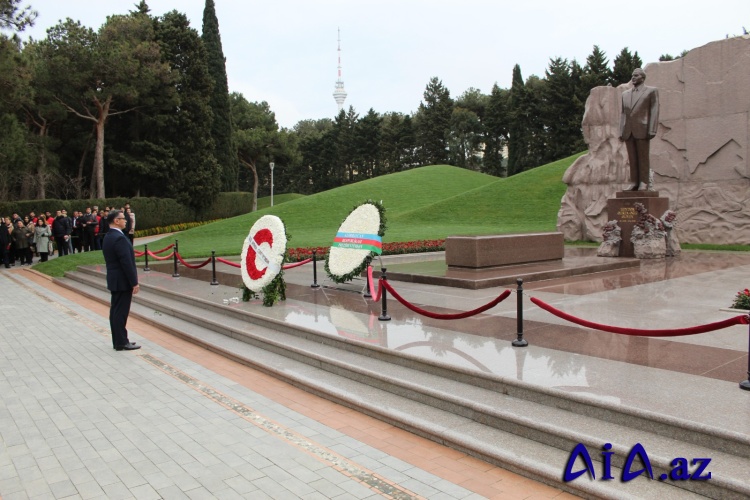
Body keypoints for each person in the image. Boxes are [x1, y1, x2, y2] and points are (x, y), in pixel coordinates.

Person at [102, 210, 141, 351]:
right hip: (122, 281)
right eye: (122, 218)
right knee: (120, 312)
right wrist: (134, 282)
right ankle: (121, 342)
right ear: (116, 221)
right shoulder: (119, 238)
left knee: (116, 311)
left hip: (115, 279)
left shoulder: (109, 236)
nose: (125, 220)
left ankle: (120, 340)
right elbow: (126, 262)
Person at [619, 68, 660, 191]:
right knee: (632, 158)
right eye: (632, 76)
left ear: (642, 77)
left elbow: (654, 110)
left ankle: (644, 182)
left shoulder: (651, 91)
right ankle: (634, 182)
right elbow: (623, 114)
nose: (633, 78)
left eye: (636, 76)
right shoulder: (625, 95)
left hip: (643, 128)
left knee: (643, 157)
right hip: (628, 130)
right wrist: (621, 130)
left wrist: (652, 129)